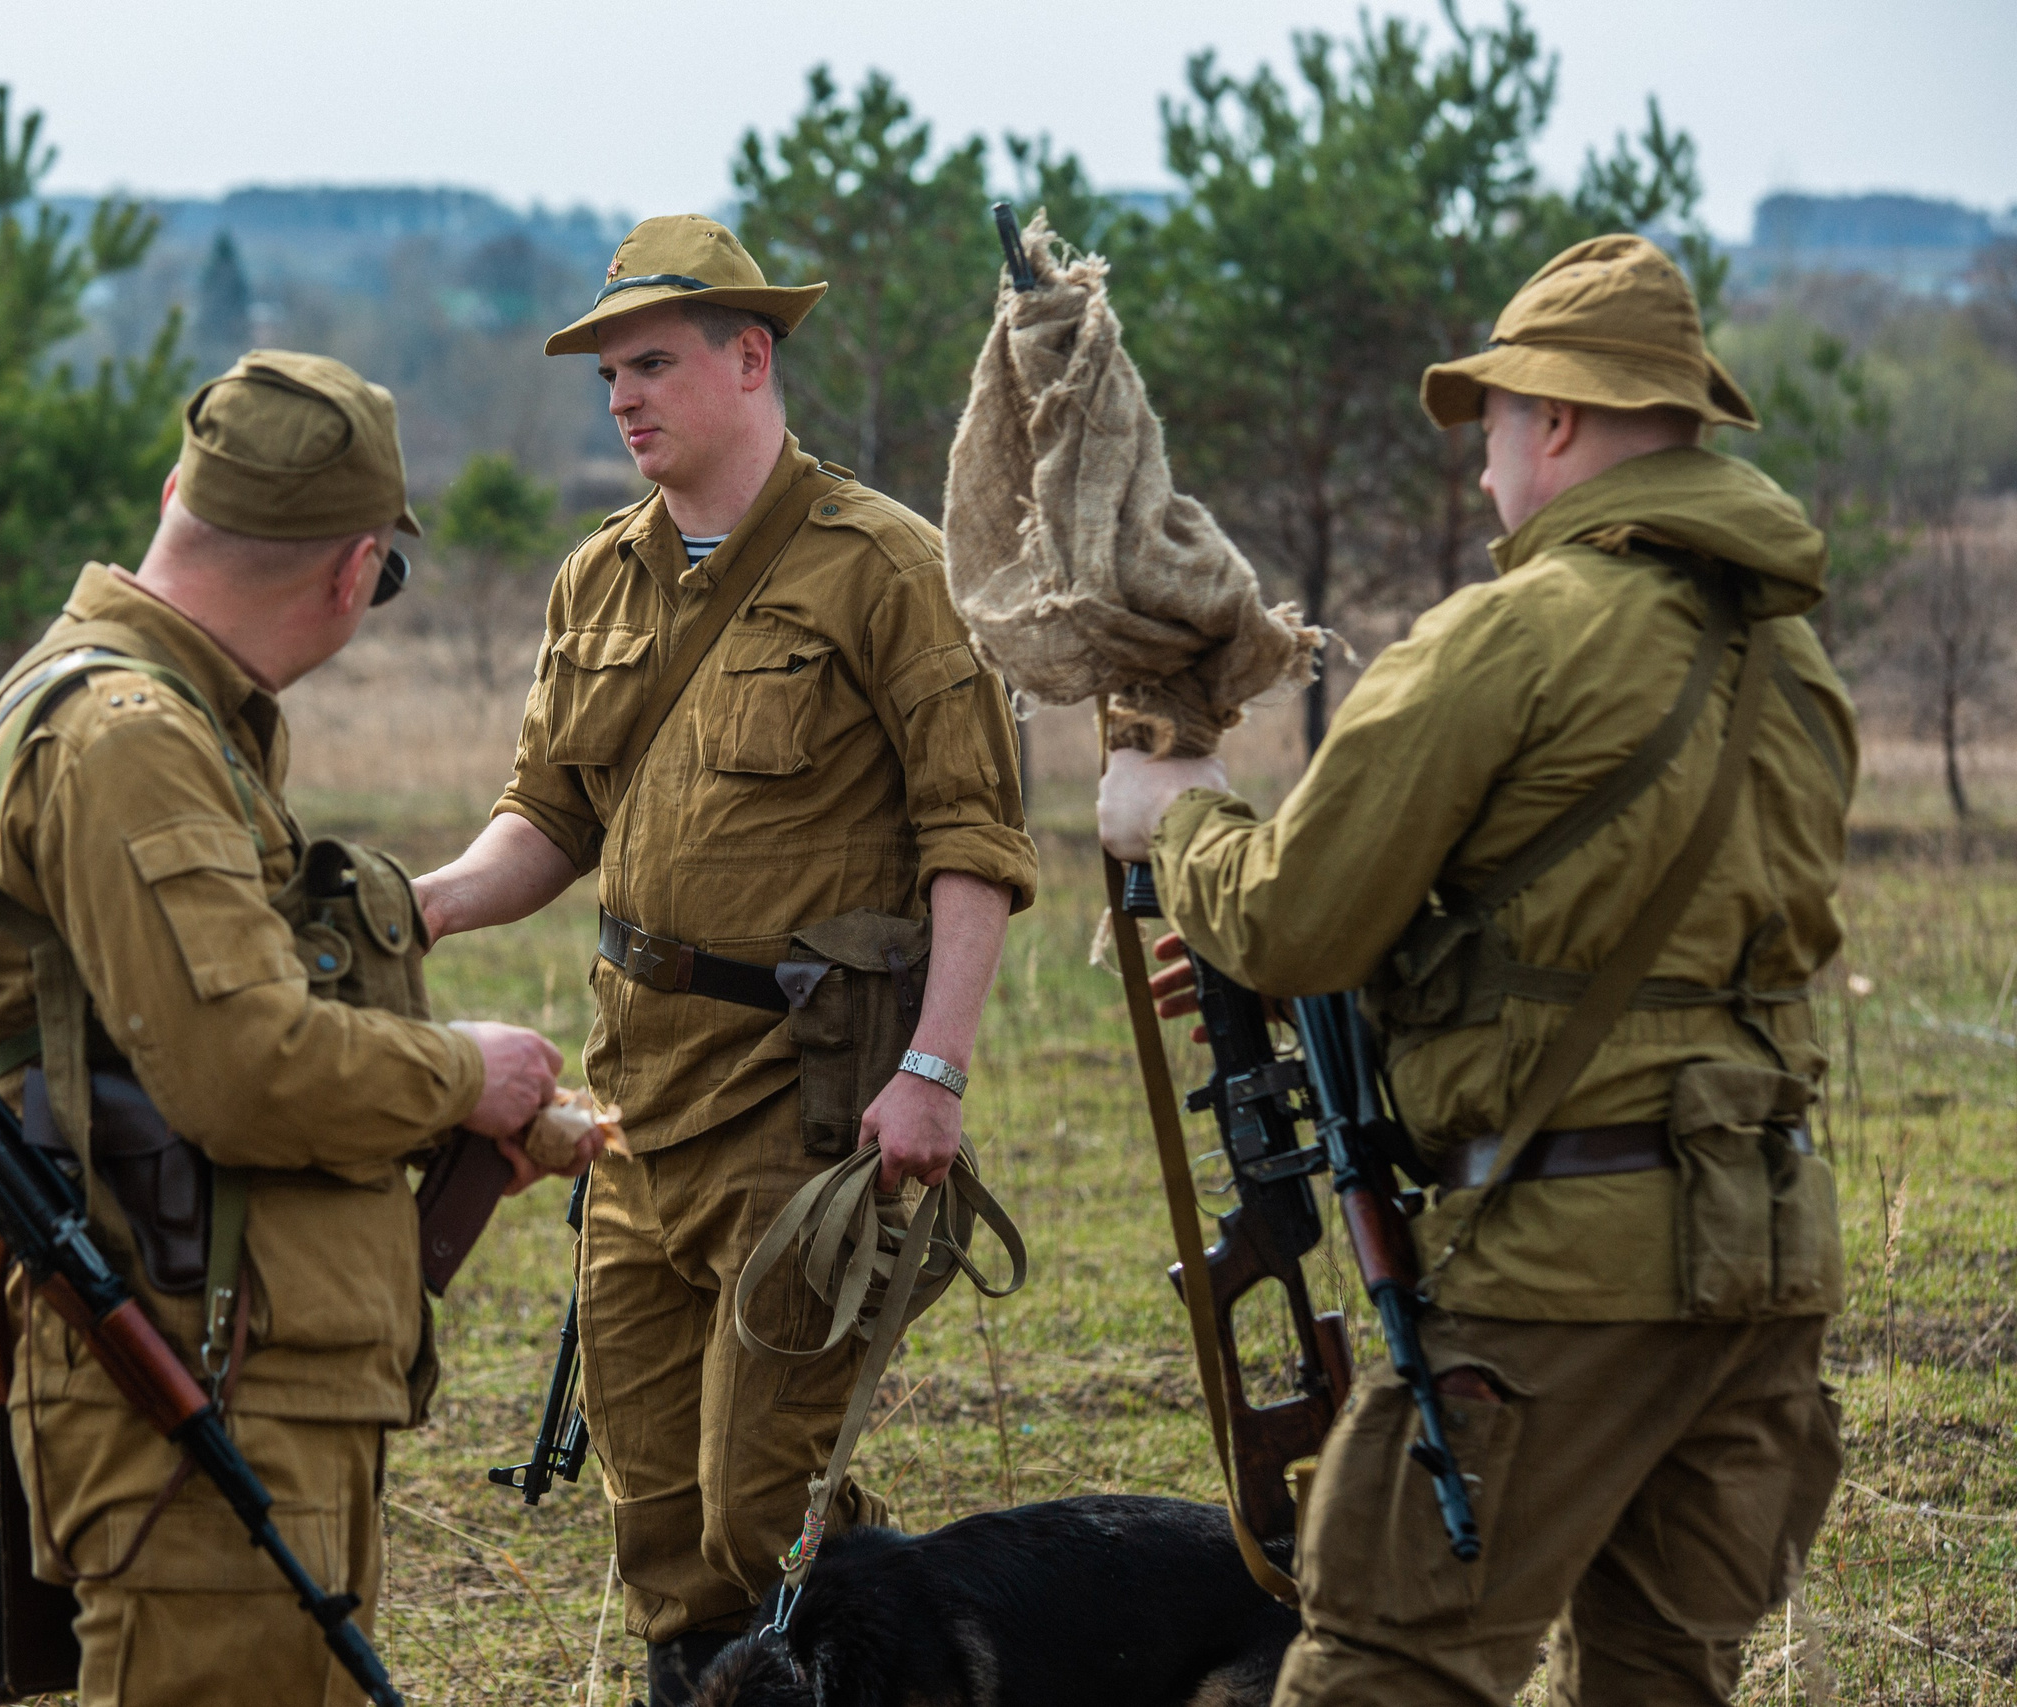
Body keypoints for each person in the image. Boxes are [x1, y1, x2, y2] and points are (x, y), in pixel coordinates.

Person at [1098, 234, 1856, 1706]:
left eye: (1494, 422)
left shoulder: (1511, 635)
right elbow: (1606, 953)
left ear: (1557, 419)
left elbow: (1294, 914)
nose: (1485, 464)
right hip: (1765, 1254)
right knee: (1664, 1675)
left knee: (1387, 1667)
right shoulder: (1796, 665)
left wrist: (1173, 816)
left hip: (1563, 1257)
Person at [412, 214, 1039, 1706]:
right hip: (636, 1116)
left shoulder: (887, 568)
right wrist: (414, 906)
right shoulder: (599, 581)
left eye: (654, 364)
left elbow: (976, 842)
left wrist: (933, 1073)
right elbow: (549, 819)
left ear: (751, 358)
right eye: (608, 373)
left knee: (771, 1508)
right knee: (665, 1534)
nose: (623, 397)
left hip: (807, 1111)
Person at [0, 348, 583, 1707]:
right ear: (356, 572)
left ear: (180, 490)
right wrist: (466, 1074)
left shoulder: (153, 716)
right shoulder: (132, 736)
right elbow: (244, 1067)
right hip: (196, 1385)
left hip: (240, 1366)